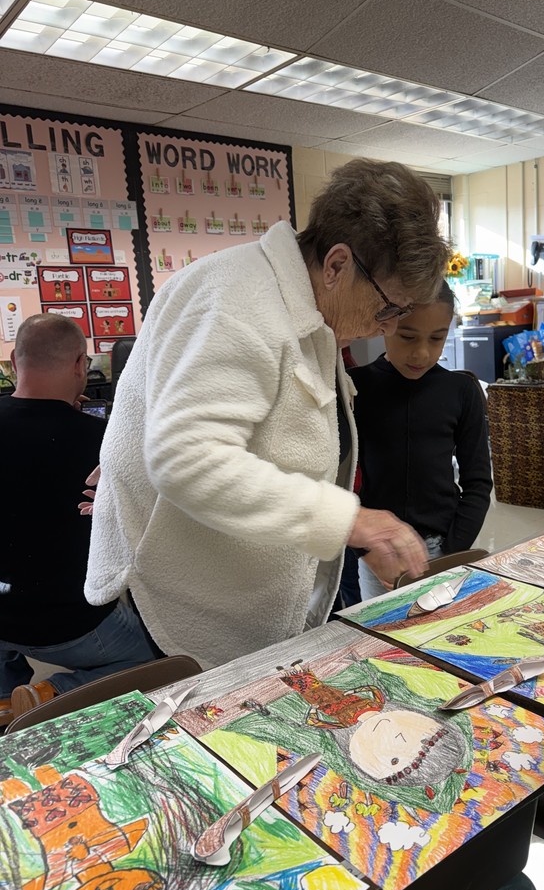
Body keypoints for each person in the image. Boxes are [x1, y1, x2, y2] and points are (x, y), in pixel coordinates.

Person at [85, 159, 450, 668]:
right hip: (183, 595)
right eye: (388, 308)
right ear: (338, 264)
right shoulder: (238, 299)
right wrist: (353, 522)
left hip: (243, 583)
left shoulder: (306, 305)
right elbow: (187, 459)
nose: (382, 328)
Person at [0, 314, 160, 725]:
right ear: (78, 366)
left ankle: (4, 697)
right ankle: (49, 695)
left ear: (15, 364)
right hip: (65, 622)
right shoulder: (102, 443)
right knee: (156, 658)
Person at [349, 282, 493, 600]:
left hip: (442, 545)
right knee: (383, 638)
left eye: (437, 338)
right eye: (408, 336)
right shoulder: (355, 388)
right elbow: (340, 481)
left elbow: (479, 482)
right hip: (376, 551)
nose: (422, 353)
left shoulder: (461, 391)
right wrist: (364, 549)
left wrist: (451, 549)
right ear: (384, 325)